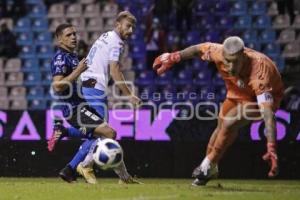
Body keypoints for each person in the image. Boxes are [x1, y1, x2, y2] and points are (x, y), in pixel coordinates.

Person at [153, 36, 284, 186]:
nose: (231, 67)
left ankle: (207, 165)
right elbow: (196, 49)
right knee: (220, 127)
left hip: (260, 99)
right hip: (236, 92)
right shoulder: (217, 51)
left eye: (235, 62)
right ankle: (210, 169)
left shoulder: (260, 72)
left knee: (229, 123)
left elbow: (268, 114)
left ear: (244, 56)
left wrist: (271, 146)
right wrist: (174, 57)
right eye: (227, 61)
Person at [49, 23, 137, 184]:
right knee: (109, 133)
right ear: (59, 39)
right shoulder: (60, 58)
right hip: (74, 109)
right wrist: (78, 71)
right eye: (68, 35)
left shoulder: (73, 57)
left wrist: (89, 80)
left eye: (74, 33)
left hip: (82, 105)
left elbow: (76, 81)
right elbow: (57, 85)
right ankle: (121, 177)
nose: (74, 37)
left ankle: (68, 169)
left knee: (97, 135)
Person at [80, 11, 141, 119]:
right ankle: (65, 131)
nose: (131, 31)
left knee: (92, 128)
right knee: (103, 129)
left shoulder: (106, 35)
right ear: (118, 24)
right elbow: (114, 71)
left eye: (132, 28)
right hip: (95, 87)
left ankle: (64, 131)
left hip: (86, 84)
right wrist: (130, 95)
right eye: (128, 26)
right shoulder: (116, 43)